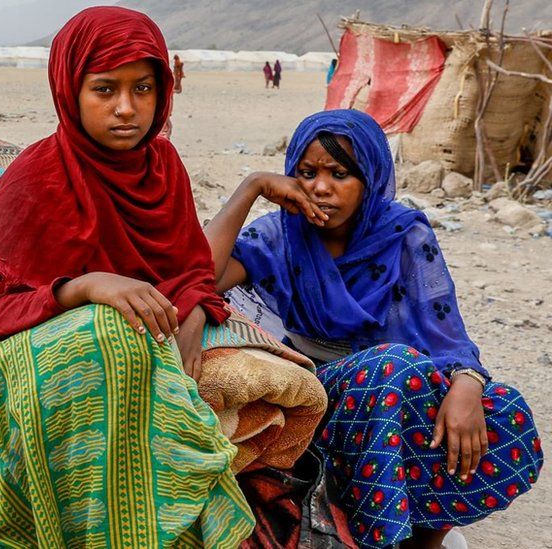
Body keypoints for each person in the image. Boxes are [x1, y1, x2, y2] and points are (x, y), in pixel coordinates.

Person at [0, 6, 255, 546]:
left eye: (143, 88)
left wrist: (193, 310)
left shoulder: (162, 165)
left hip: (112, 337)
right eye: (105, 90)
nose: (127, 109)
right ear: (69, 89)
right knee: (109, 331)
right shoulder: (37, 178)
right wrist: (84, 287)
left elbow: (188, 264)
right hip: (0, 353)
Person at [204, 109, 542, 549]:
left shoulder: (403, 235)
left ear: (370, 178)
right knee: (391, 365)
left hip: (396, 394)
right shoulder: (278, 236)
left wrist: (467, 384)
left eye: (340, 173)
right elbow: (198, 278)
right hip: (310, 396)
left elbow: (446, 334)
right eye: (306, 173)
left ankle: (425, 530)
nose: (320, 187)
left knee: (503, 412)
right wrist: (251, 187)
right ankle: (378, 535)